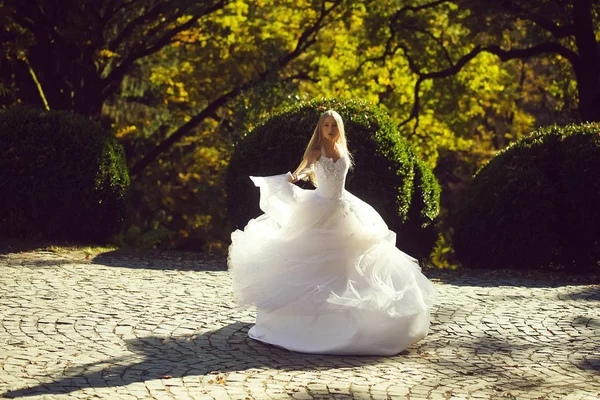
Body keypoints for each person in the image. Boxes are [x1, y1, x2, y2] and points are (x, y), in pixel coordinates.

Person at [228, 110, 435, 355]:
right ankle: (312, 325)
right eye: (326, 125)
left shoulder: (342, 151)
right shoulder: (316, 152)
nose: (330, 128)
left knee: (354, 261)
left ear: (339, 128)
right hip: (320, 209)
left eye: (334, 125)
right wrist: (289, 179)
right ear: (320, 128)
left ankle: (358, 321)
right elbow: (301, 172)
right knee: (316, 264)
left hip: (346, 207)